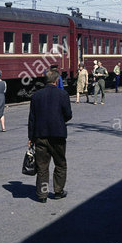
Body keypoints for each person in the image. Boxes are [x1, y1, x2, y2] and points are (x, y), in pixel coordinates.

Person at [28, 70, 73, 203]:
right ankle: (58, 191)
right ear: (56, 80)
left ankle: (42, 195)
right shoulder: (63, 94)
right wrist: (59, 121)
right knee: (60, 163)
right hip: (58, 135)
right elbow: (68, 114)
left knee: (42, 166)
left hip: (40, 136)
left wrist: (31, 138)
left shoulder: (36, 96)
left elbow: (32, 119)